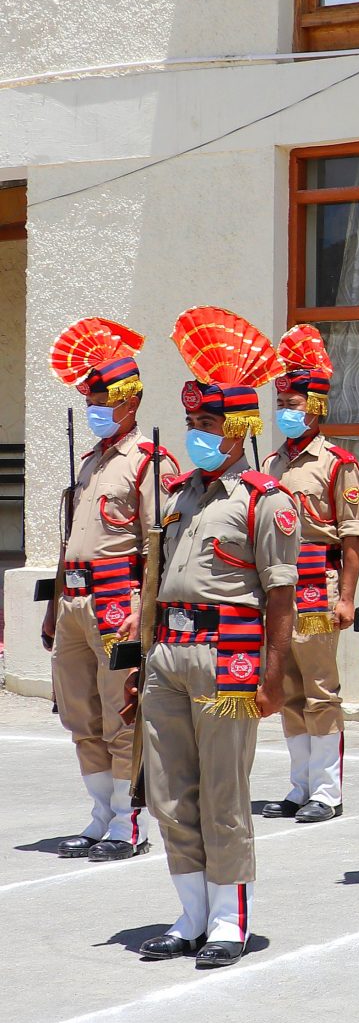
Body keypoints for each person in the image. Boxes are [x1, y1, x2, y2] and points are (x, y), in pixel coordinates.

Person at [132, 307, 299, 968]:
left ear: (236, 429)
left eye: (206, 424)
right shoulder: (178, 497)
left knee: (224, 790)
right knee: (170, 790)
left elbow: (281, 595)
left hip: (229, 656)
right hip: (168, 655)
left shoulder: (263, 500)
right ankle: (191, 913)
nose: (195, 435)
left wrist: (274, 669)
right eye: (192, 423)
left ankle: (229, 919)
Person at [37, 317, 173, 861]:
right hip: (71, 603)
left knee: (121, 715)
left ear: (129, 400)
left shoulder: (148, 464)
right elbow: (70, 540)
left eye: (102, 398)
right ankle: (99, 816)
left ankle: (127, 821)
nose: (94, 407)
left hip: (118, 603)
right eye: (89, 397)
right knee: (79, 715)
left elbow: (157, 550)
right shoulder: (89, 461)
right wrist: (52, 607)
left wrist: (144, 611)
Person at [258, 326, 359, 824]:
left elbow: (350, 539)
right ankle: (299, 784)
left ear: (317, 406)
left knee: (321, 690)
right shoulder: (270, 462)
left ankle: (327, 789)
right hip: (278, 592)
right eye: (281, 400)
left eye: (295, 401)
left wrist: (346, 598)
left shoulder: (337, 462)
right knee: (288, 689)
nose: (287, 408)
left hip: (317, 588)